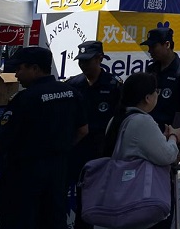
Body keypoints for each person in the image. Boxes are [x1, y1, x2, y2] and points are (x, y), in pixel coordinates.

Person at [0, 46, 88, 228]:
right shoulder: (71, 93)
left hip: (26, 174)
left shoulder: (25, 99)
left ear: (35, 68)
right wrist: (60, 149)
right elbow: (83, 130)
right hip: (58, 170)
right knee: (53, 220)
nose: (16, 75)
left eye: (19, 69)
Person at [98, 72, 180, 229]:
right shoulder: (142, 120)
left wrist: (162, 138)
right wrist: (174, 136)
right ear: (147, 98)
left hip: (118, 196)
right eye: (155, 92)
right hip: (139, 200)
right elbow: (167, 156)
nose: (157, 95)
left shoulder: (117, 118)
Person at [66, 40, 123, 227]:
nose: (83, 65)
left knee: (96, 197)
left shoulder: (114, 85)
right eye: (80, 61)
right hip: (76, 149)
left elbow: (119, 119)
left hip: (101, 150)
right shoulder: (73, 85)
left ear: (99, 59)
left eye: (87, 61)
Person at [141, 22, 180, 131]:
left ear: (167, 45)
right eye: (149, 47)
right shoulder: (151, 69)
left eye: (153, 46)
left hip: (169, 130)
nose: (150, 51)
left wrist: (177, 133)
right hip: (149, 128)